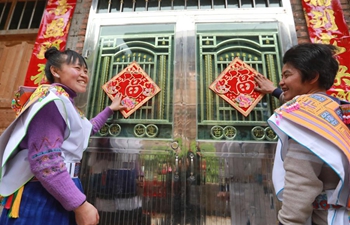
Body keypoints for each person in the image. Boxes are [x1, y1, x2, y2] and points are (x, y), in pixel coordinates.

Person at [0, 47, 126, 225]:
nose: (84, 75)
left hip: (60, 187)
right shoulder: (52, 102)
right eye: (77, 68)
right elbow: (45, 160)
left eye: (85, 70)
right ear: (55, 71)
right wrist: (80, 205)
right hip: (44, 192)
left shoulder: (64, 101)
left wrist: (110, 110)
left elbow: (87, 129)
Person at [259, 43, 350, 225]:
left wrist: (288, 222)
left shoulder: (306, 119)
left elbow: (302, 182)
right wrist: (275, 91)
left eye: (287, 75)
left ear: (313, 76)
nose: (281, 82)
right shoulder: (338, 108)